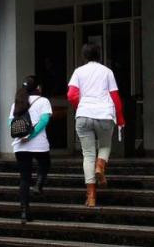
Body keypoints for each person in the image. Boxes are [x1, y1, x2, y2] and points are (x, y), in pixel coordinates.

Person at [67, 43, 125, 207]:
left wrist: (82, 105)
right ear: (99, 55)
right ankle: (100, 165)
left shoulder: (78, 72)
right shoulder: (107, 72)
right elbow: (115, 96)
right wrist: (120, 118)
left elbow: (71, 95)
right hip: (104, 114)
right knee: (105, 146)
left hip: (84, 115)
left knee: (87, 154)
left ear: (84, 56)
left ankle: (91, 197)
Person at [9, 75, 52, 224]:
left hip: (20, 146)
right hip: (39, 144)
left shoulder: (17, 102)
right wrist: (31, 135)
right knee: (45, 164)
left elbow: (11, 124)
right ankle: (39, 184)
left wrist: (22, 137)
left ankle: (24, 212)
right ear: (38, 88)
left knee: (24, 178)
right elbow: (45, 120)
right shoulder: (43, 101)